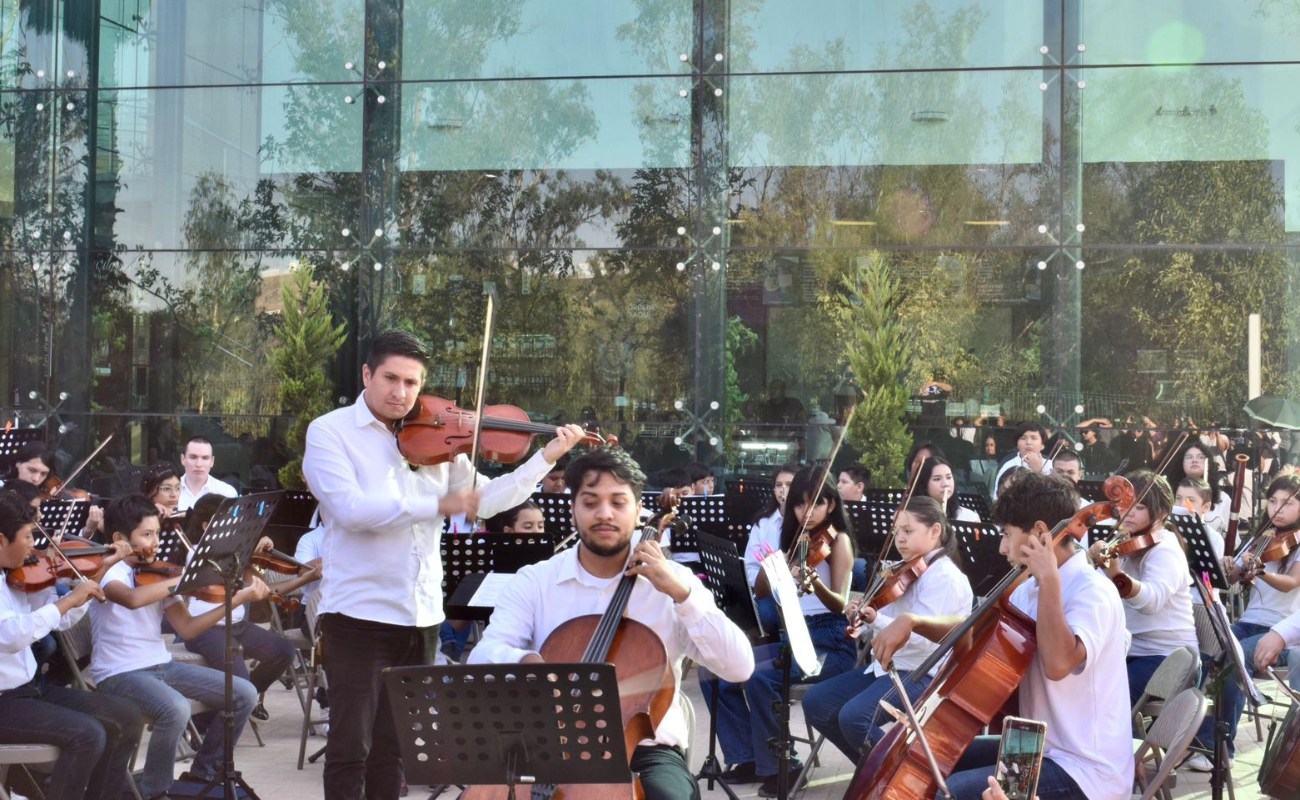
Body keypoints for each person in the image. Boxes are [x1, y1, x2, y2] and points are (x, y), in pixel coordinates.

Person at [300, 330, 586, 800]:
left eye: (412, 383)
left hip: (422, 615)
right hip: (358, 615)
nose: (401, 393)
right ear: (367, 374)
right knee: (351, 746)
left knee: (395, 749)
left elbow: (487, 502)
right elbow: (351, 509)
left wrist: (545, 457)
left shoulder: (439, 436)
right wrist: (437, 503)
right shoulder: (330, 432)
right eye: (391, 378)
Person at [468, 449, 754, 800]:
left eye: (618, 502)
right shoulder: (536, 581)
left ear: (638, 511)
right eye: (590, 503)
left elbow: (739, 667)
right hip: (544, 744)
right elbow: (483, 655)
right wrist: (525, 663)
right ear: (572, 510)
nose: (604, 514)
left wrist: (683, 596)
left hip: (645, 752)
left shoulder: (675, 582)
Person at [871, 471, 1134, 800]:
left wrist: (1050, 580)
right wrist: (914, 621)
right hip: (1030, 746)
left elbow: (1058, 664)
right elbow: (972, 635)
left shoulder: (1092, 591)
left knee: (948, 794)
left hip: (1084, 769)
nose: (1001, 547)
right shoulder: (1029, 589)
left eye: (1007, 535)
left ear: (1040, 533)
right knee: (932, 759)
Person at [91, 493, 266, 799]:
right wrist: (183, 580)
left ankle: (204, 770)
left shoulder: (157, 573)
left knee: (244, 693)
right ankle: (155, 790)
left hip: (162, 665)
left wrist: (234, 599)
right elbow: (131, 600)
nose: (155, 542)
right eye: (147, 534)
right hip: (120, 673)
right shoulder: (109, 571)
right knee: (176, 709)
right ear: (120, 538)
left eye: (157, 533)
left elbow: (187, 627)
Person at [703, 466, 858, 796]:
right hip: (794, 637)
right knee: (714, 672)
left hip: (830, 642)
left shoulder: (839, 541)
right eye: (800, 505)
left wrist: (813, 582)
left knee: (761, 678)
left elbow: (839, 604)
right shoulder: (793, 544)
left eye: (814, 504)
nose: (807, 511)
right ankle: (746, 757)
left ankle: (784, 763)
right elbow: (760, 590)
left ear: (831, 505)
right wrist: (777, 563)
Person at [0, 490, 145, 800]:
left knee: (127, 715)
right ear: (1, 540)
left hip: (29, 688)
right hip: (3, 702)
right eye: (27, 537)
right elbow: (11, 637)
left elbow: (59, 619)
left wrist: (98, 572)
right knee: (87, 734)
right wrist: (66, 603)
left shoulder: (15, 576)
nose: (34, 545)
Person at [803, 496, 973, 759]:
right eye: (896, 532)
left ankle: (895, 775)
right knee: (816, 703)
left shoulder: (945, 577)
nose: (900, 539)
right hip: (886, 668)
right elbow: (883, 624)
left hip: (921, 673)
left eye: (908, 531)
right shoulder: (905, 570)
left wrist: (876, 620)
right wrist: (861, 617)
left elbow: (925, 642)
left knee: (854, 718)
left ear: (935, 531)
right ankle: (870, 772)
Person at [1187, 473, 1300, 771]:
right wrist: (1228, 566)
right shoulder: (1259, 538)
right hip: (1248, 624)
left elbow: (1290, 583)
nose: (1277, 508)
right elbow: (1229, 580)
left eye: (1287, 502)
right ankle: (1191, 737)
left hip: (1282, 636)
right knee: (1201, 658)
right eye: (1273, 501)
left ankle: (1221, 749)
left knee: (1232, 662)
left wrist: (1260, 571)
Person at [176, 492, 320, 722]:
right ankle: (203, 726)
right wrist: (249, 548)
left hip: (237, 625)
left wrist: (304, 579)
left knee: (283, 652)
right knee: (238, 681)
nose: (237, 525)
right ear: (207, 526)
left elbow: (268, 591)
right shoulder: (196, 553)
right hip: (207, 629)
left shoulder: (238, 553)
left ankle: (245, 701)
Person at [1086, 472, 1198, 704]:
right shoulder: (1124, 542)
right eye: (1125, 503)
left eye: (1140, 506)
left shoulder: (1165, 549)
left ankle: (1125, 741)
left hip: (1165, 657)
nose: (1129, 511)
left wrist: (1117, 575)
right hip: (1128, 651)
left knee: (1106, 701)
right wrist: (1089, 560)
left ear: (1163, 514)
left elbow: (1151, 602)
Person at [1164, 441, 1229, 536]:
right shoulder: (1168, 495)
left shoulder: (1224, 499)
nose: (1194, 460)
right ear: (1181, 463)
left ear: (1208, 463)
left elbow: (1231, 538)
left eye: (1200, 457)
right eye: (1189, 457)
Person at [993, 423, 1053, 499]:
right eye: (1023, 438)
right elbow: (997, 496)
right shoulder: (1009, 465)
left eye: (1034, 438)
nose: (1028, 442)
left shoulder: (1050, 465)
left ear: (1042, 445)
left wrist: (1038, 471)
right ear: (1017, 444)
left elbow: (1052, 497)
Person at [177, 436, 238, 511]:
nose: (199, 464)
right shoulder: (167, 492)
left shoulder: (227, 492)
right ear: (183, 459)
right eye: (193, 457)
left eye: (205, 458)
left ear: (212, 461)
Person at [916, 456, 979, 523]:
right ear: (924, 484)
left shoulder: (969, 517)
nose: (945, 484)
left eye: (948, 477)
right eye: (937, 479)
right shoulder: (911, 515)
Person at [1174, 478, 1224, 560]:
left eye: (1190, 500)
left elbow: (1211, 571)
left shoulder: (1214, 538)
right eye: (1178, 498)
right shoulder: (1166, 529)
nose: (1182, 504)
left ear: (1206, 507)